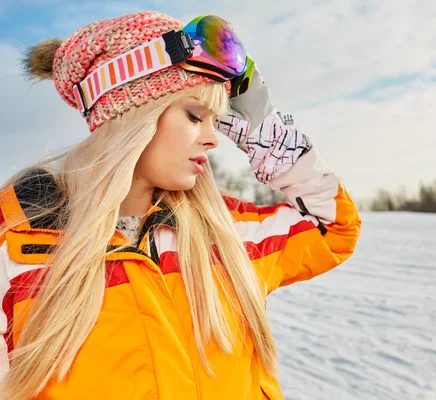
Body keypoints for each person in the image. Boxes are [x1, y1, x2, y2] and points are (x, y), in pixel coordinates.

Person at [0, 10, 360, 400]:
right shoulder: (16, 243)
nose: (213, 138)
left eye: (217, 120)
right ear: (130, 114)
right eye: (194, 115)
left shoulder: (228, 232)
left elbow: (333, 226)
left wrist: (266, 131)